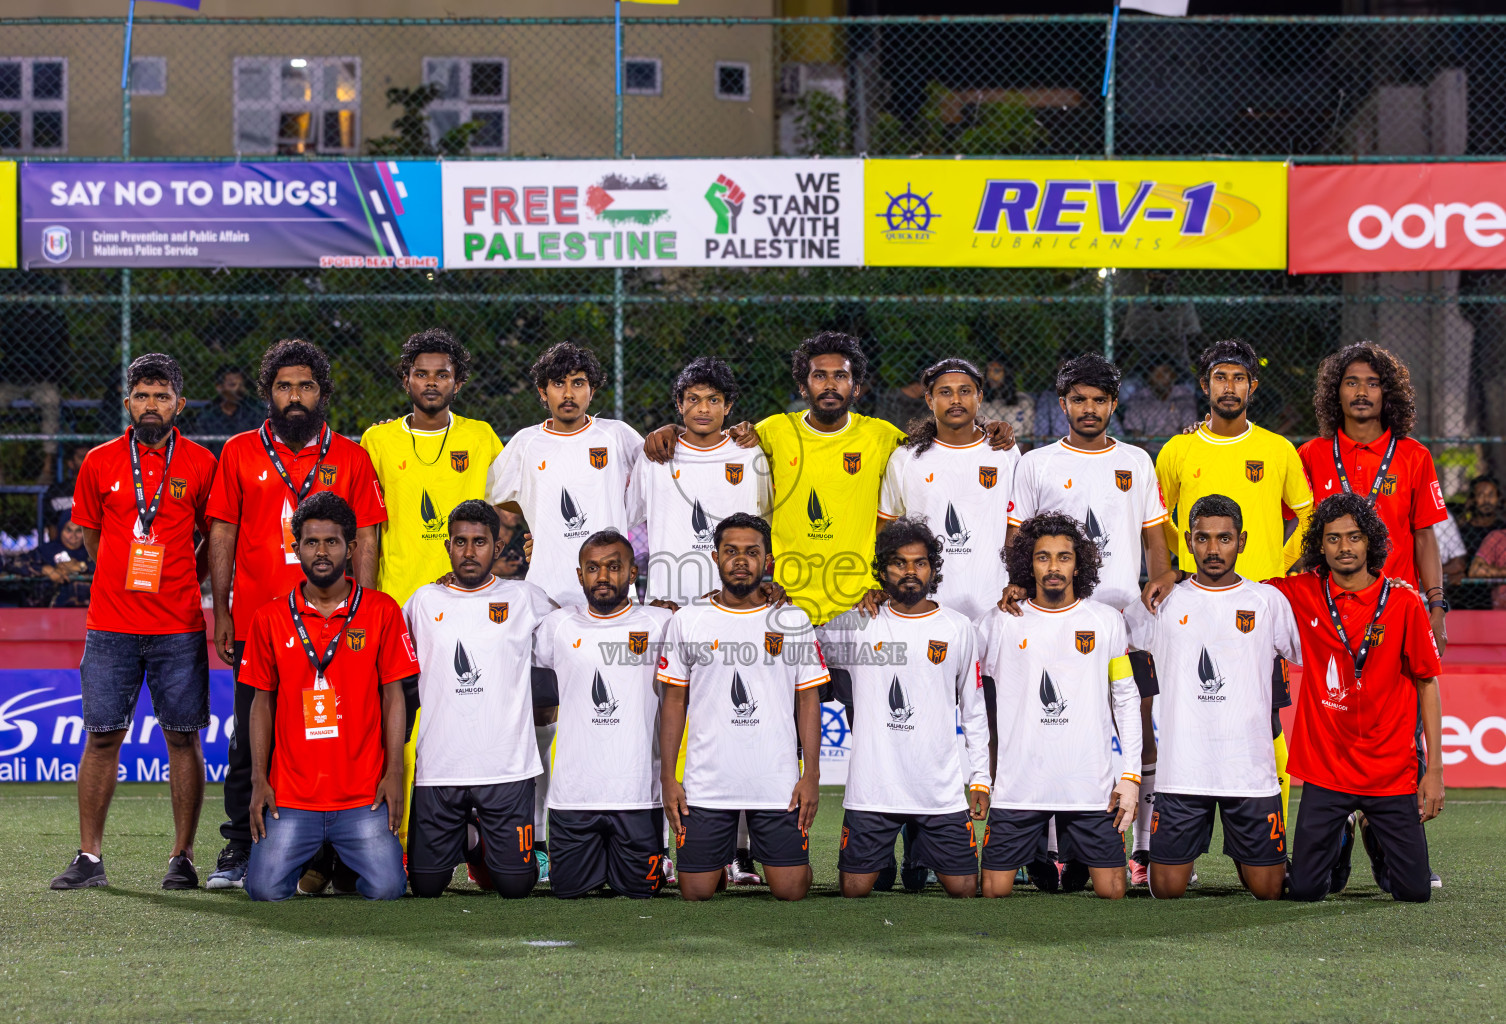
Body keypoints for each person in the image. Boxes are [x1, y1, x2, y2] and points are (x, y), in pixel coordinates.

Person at [644, 332, 1013, 628]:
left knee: (864, 710)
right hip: (785, 601)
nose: (830, 384)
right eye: (819, 376)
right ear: (804, 387)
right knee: (789, 712)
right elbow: (715, 436)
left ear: (856, 386)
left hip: (859, 603)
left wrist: (985, 427)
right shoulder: (773, 431)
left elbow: (942, 449)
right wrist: (673, 428)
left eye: (841, 376)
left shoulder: (882, 437)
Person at [204, 339, 387, 891]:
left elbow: (369, 538)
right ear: (268, 393)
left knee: (339, 737)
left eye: (306, 386)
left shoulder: (351, 457)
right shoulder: (237, 451)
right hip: (264, 625)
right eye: (284, 386)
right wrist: (223, 611)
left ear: (323, 394)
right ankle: (239, 846)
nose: (295, 397)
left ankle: (334, 859)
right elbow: (222, 532)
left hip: (337, 625)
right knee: (248, 741)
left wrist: (368, 616)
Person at [50, 353, 218, 891]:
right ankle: (89, 857)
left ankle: (183, 857)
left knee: (183, 739)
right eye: (142, 395)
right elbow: (95, 540)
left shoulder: (200, 462)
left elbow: (210, 539)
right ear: (128, 403)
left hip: (180, 624)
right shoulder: (99, 461)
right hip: (111, 625)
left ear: (179, 404)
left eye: (162, 395)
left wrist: (175, 576)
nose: (151, 405)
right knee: (102, 737)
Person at [1004, 353, 1170, 887]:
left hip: (1126, 618)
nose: (1090, 408)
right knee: (1056, 722)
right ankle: (1052, 850)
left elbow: (1154, 535)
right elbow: (1017, 542)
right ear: (1063, 404)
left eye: (1100, 400)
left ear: (1114, 405)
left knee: (1137, 722)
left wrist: (1160, 577)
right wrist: (1019, 587)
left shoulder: (1137, 462)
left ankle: (1141, 849)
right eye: (1079, 399)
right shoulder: (1036, 463)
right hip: (1053, 616)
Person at [1152, 338, 1313, 873]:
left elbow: (1307, 518)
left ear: (1253, 387)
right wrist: (1174, 566)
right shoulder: (1177, 451)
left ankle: (1275, 850)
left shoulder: (1278, 449)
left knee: (1269, 734)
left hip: (1254, 612)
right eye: (1220, 377)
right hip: (1194, 605)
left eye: (1239, 378)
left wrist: (1279, 570)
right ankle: (1175, 852)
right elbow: (1155, 520)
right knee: (1184, 724)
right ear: (1205, 386)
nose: (1229, 387)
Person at [486, 341, 644, 881]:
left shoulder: (619, 438)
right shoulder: (526, 444)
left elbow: (649, 492)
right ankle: (542, 838)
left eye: (579, 382)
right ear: (542, 392)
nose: (569, 393)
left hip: (617, 607)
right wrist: (529, 545)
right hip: (549, 605)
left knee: (625, 723)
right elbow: (498, 504)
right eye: (558, 384)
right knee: (541, 724)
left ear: (592, 389)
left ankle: (647, 838)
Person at [241, 492, 418, 902]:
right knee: (264, 890)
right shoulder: (269, 617)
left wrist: (394, 773)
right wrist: (258, 779)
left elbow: (395, 698)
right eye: (311, 542)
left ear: (351, 548)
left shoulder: (381, 610)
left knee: (389, 889)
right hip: (291, 798)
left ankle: (339, 864)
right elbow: (261, 704)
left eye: (332, 542)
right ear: (295, 546)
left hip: (362, 796)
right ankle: (322, 862)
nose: (322, 552)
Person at [1267, 494, 1444, 903]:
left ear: (1371, 543)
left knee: (1413, 892)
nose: (1344, 547)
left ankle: (1369, 829)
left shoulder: (1402, 601)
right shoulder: (1300, 592)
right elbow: (1238, 592)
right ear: (1319, 545)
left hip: (1390, 772)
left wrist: (1432, 771)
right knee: (1307, 890)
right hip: (1326, 770)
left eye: (1354, 537)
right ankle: (1342, 836)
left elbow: (1428, 684)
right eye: (1332, 539)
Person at [1123, 495, 1300, 900]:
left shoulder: (1267, 602)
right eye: (1203, 539)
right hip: (1183, 771)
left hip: (1250, 773)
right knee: (1164, 890)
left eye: (1224, 538)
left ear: (1242, 541)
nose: (1214, 549)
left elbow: (1315, 649)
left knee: (1269, 891)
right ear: (1187, 541)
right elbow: (1110, 637)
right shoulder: (1161, 601)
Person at [655, 513, 828, 901]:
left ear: (767, 562)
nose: (740, 560)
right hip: (707, 784)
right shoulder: (688, 620)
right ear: (715, 557)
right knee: (696, 892)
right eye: (730, 551)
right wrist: (669, 777)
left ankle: (788, 861)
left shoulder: (792, 619)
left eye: (752, 552)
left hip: (776, 784)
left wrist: (811, 774)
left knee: (791, 891)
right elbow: (674, 703)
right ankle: (712, 861)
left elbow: (808, 700)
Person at [818, 517, 990, 899]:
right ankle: (892, 858)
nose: (910, 571)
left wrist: (980, 777)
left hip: (938, 790)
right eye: (899, 563)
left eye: (920, 562)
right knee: (854, 891)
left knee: (964, 890)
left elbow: (974, 710)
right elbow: (804, 648)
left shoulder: (958, 627)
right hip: (873, 788)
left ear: (933, 568)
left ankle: (916, 855)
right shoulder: (856, 624)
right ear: (882, 571)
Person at [975, 512, 1141, 899]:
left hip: (1089, 789)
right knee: (992, 892)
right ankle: (1039, 855)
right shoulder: (999, 622)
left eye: (1064, 557)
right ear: (1027, 565)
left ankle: (1075, 855)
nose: (1053, 567)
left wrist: (1130, 777)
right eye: (1042, 557)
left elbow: (1126, 699)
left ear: (1079, 563)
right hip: (1019, 790)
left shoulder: (1105, 621)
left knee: (1113, 892)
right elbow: (958, 676)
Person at [401, 500, 556, 898]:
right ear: (448, 546)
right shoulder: (422, 601)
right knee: (425, 887)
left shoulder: (525, 598)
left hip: (506, 770)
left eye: (480, 542)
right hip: (440, 770)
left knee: (516, 886)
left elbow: (576, 627)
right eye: (460, 542)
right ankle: (470, 839)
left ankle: (479, 842)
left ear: (498, 548)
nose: (469, 552)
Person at [534, 529, 674, 899]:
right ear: (580, 575)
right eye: (593, 568)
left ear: (632, 573)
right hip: (573, 800)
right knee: (569, 894)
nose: (603, 576)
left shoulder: (661, 624)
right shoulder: (558, 626)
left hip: (638, 797)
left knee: (640, 893)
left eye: (614, 567)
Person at [1299, 343, 1448, 650]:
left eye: (1373, 383)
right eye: (1351, 382)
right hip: (1329, 610)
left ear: (1387, 393)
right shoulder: (1312, 455)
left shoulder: (1414, 456)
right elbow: (1288, 528)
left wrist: (1436, 608)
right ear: (1336, 393)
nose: (1361, 392)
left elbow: (1424, 535)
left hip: (1396, 606)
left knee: (1407, 697)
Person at [361, 329, 504, 607]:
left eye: (442, 375)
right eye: (421, 374)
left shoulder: (480, 436)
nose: (431, 383)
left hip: (464, 593)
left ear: (458, 383)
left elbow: (512, 502)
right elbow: (365, 529)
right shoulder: (378, 440)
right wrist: (367, 603)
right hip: (398, 594)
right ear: (406, 380)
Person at [878, 357, 1020, 621]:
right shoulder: (906, 458)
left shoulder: (1004, 453)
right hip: (926, 604)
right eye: (945, 392)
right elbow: (885, 525)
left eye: (965, 391)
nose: (956, 399)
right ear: (930, 401)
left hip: (992, 603)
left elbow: (1016, 524)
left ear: (979, 397)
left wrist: (1016, 579)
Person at [627, 356, 770, 608]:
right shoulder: (655, 456)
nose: (703, 409)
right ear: (679, 405)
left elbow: (766, 520)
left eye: (713, 400)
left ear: (728, 406)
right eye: (693, 399)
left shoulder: (748, 454)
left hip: (733, 603)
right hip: (668, 602)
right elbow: (624, 518)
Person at [1121, 360, 1197, 458]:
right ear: (1148, 378)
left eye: (1165, 372)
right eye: (1155, 373)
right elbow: (1137, 437)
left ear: (1174, 376)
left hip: (1176, 451)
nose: (1160, 377)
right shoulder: (1139, 398)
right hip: (1148, 452)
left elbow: (1187, 433)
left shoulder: (1184, 396)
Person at [1451, 476, 1501, 609]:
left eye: (1491, 495)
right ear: (1473, 500)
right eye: (1481, 495)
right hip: (1466, 592)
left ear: (1498, 499)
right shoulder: (1462, 531)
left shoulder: (1502, 530)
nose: (1486, 500)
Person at [193, 365, 263, 455]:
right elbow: (201, 448)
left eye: (241, 385)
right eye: (233, 385)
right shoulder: (208, 414)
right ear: (219, 387)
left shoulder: (254, 412)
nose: (239, 389)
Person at [27, 517, 92, 608]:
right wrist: (45, 569)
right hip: (47, 612)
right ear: (61, 530)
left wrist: (82, 567)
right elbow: (14, 564)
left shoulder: (91, 552)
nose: (73, 536)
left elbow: (112, 567)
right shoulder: (46, 551)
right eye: (68, 530)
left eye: (78, 531)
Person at [977, 356, 1033, 448]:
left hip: (1017, 450)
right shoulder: (980, 402)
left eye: (996, 370)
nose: (992, 376)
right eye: (989, 370)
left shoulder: (1023, 402)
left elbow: (1029, 437)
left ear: (1006, 373)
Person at [41, 443, 90, 541]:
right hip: (67, 547)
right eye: (81, 457)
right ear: (71, 464)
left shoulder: (105, 489)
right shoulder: (57, 492)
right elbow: (52, 528)